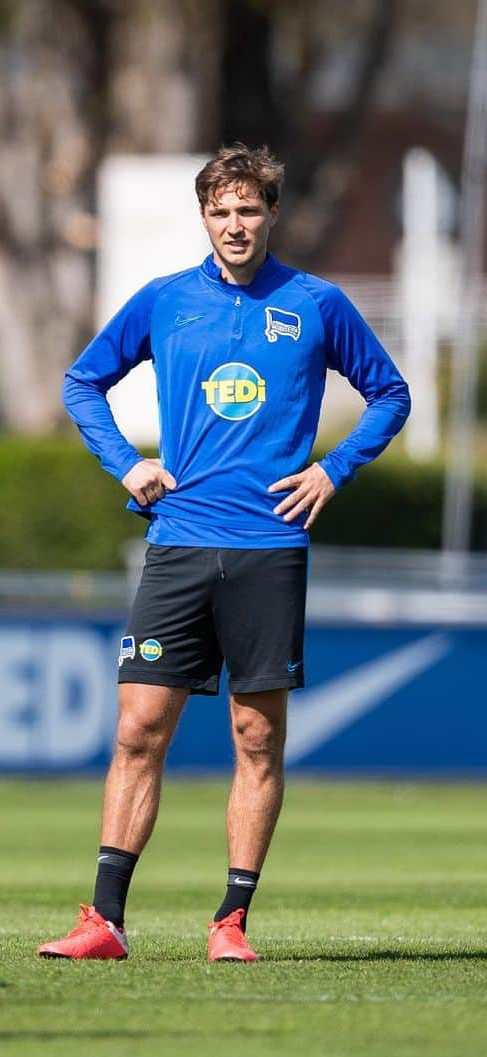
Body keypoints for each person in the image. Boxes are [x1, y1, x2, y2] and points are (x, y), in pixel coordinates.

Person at [38, 144, 410, 964]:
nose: (235, 224)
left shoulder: (316, 304)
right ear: (204, 217)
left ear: (272, 214)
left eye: (248, 210)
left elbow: (390, 393)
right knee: (138, 730)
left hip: (269, 548)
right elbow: (82, 383)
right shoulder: (166, 301)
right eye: (220, 211)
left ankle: (230, 923)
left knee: (255, 736)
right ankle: (104, 923)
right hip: (177, 542)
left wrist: (334, 469)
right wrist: (127, 463)